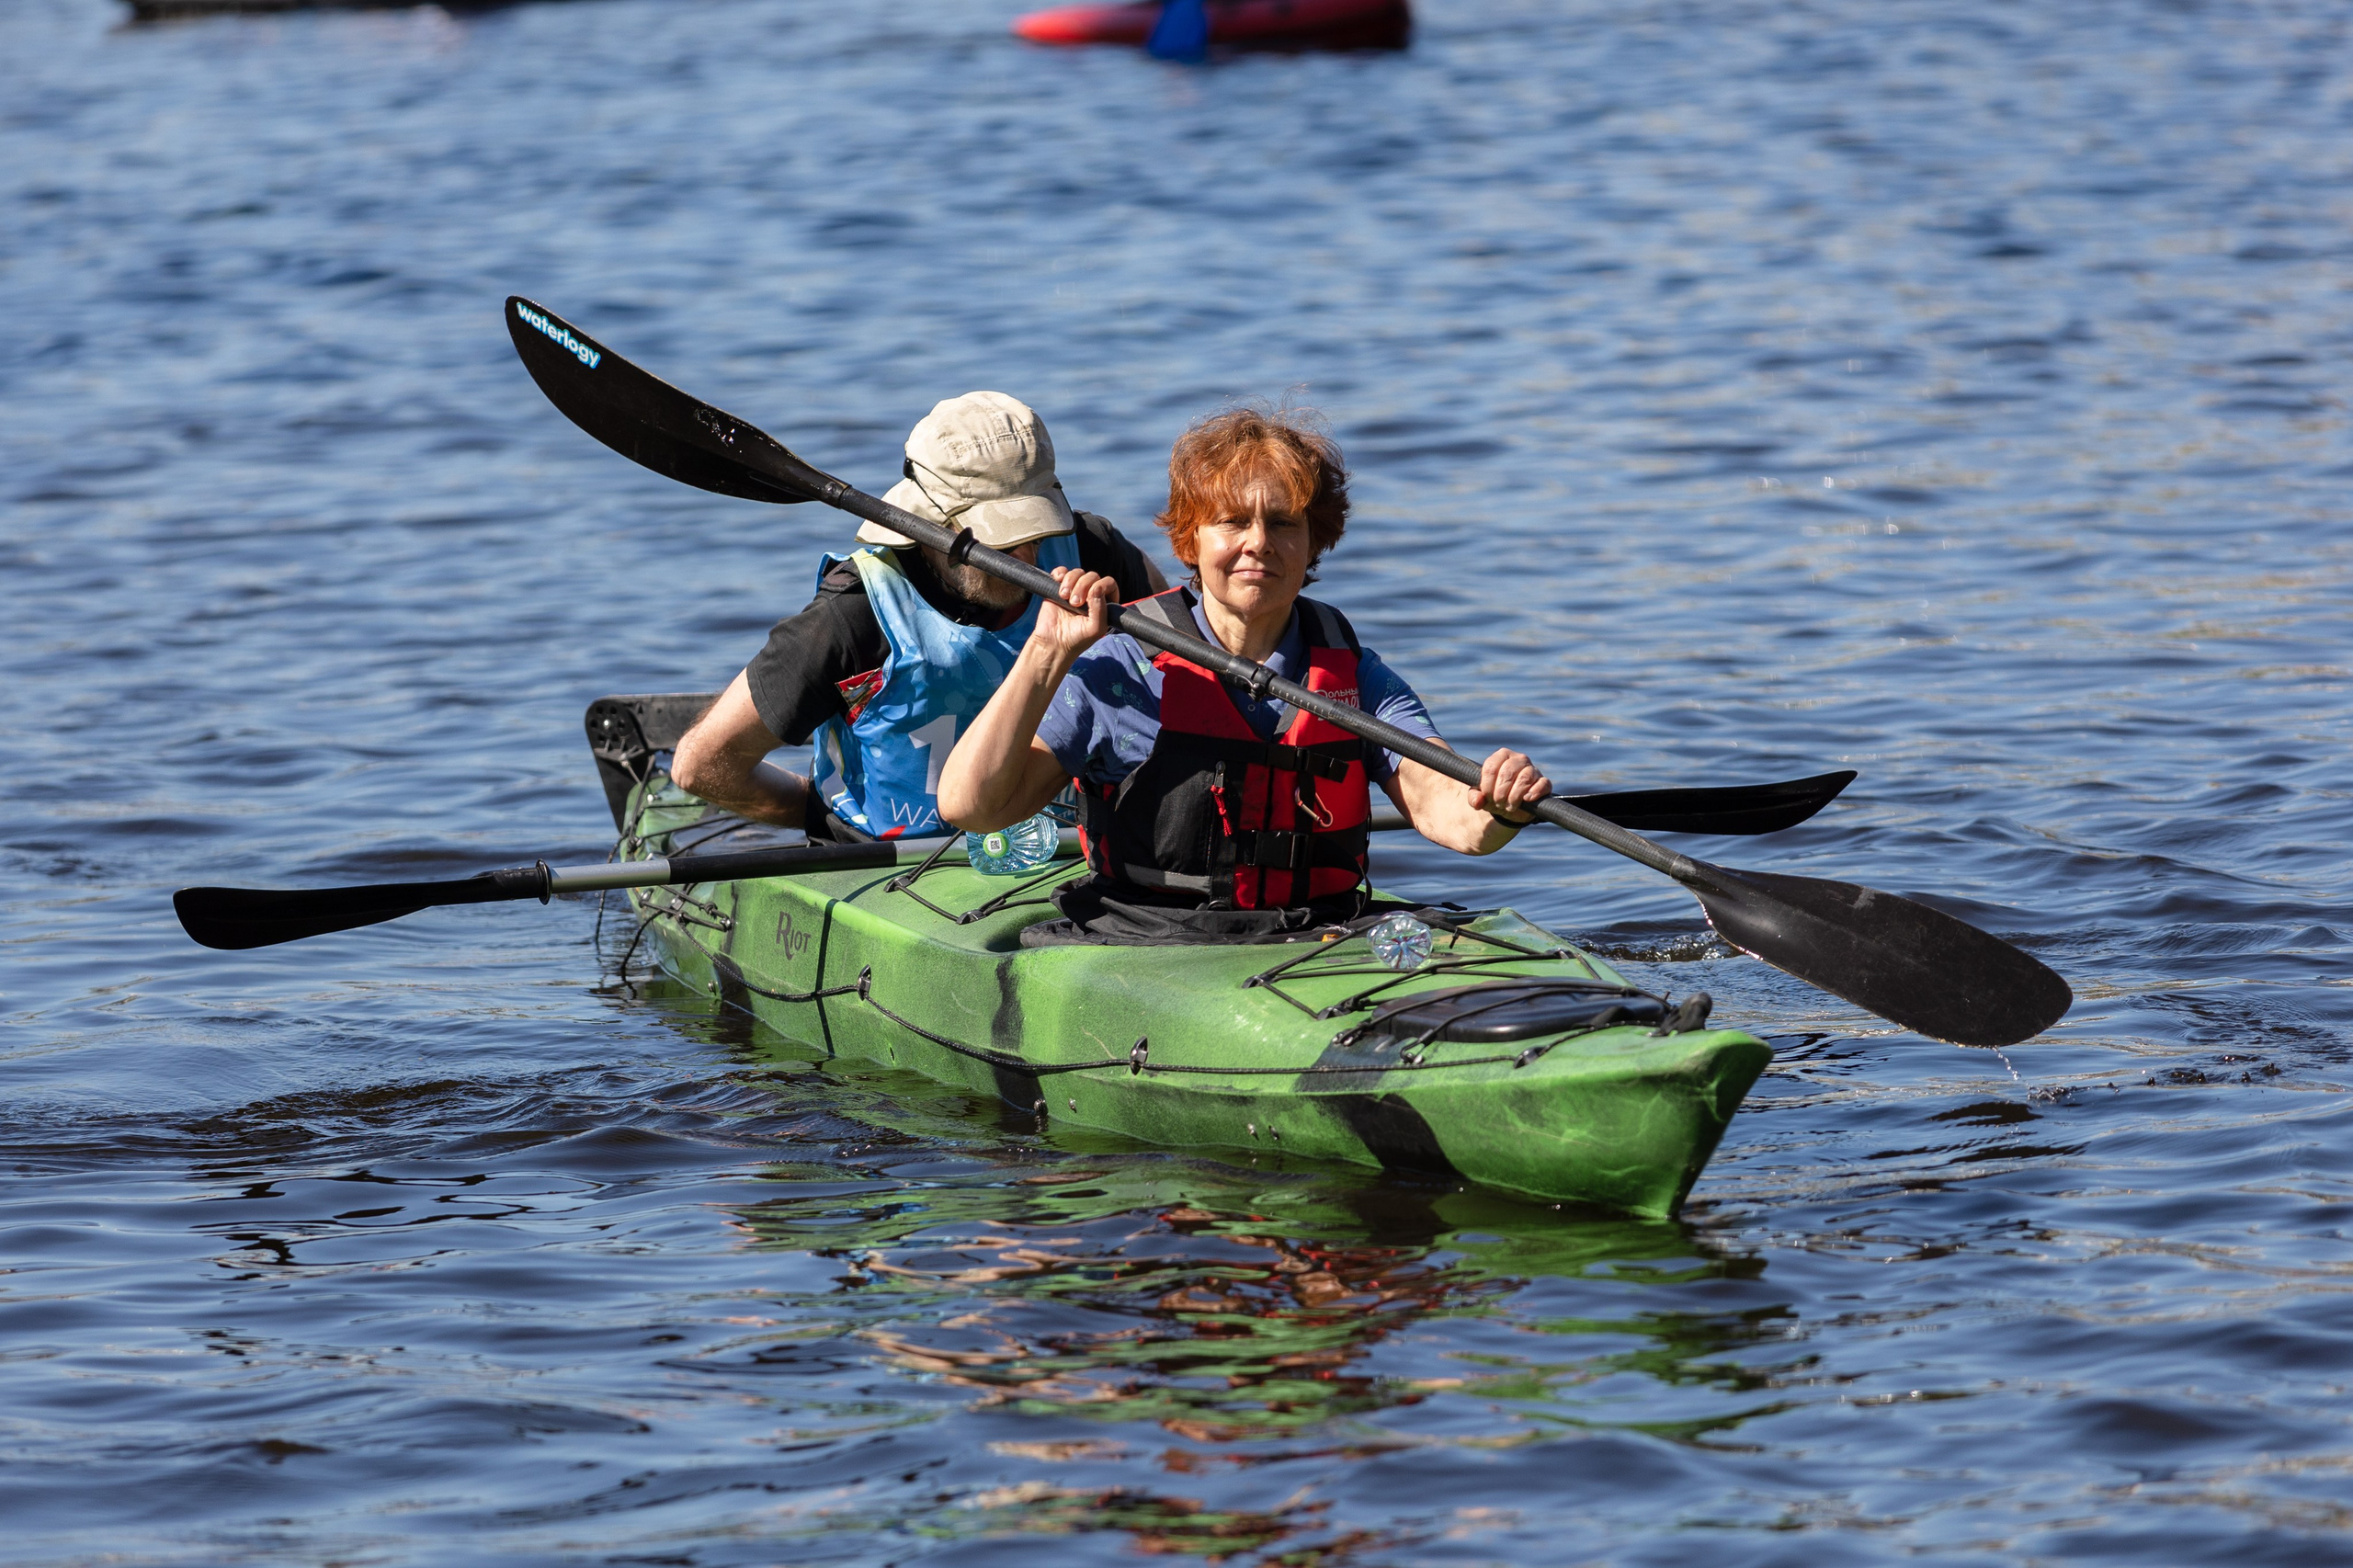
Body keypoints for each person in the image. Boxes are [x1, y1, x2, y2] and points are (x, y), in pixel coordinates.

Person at [936, 407, 1552, 943]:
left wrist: (1500, 805)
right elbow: (972, 807)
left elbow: (1454, 818)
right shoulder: (1120, 668)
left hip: (1316, 931)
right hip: (1149, 936)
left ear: (1314, 541)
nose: (1259, 542)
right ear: (1191, 540)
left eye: (1283, 523)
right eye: (1232, 521)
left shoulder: (1353, 673)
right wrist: (1046, 652)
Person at [671, 392, 1165, 840]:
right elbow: (702, 766)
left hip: (1055, 849)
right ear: (929, 520)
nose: (1026, 556)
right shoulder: (852, 614)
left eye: (1034, 529)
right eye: (1001, 538)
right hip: (884, 865)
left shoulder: (1095, 554)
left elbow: (1185, 655)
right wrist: (821, 813)